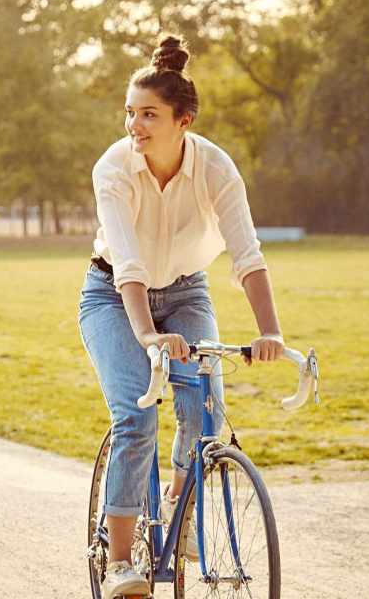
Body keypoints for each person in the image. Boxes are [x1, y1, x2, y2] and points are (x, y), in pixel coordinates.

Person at [78, 33, 285, 598]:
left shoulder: (216, 168)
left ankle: (179, 504)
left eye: (148, 115)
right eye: (129, 113)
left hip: (188, 292)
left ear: (183, 120)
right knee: (137, 415)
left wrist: (270, 331)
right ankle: (121, 560)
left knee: (205, 405)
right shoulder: (113, 168)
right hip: (113, 296)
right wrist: (146, 334)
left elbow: (247, 255)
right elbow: (128, 263)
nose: (134, 126)